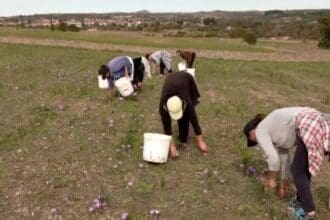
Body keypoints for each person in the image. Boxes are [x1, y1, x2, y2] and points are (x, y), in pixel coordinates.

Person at [244, 107, 330, 219]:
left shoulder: (260, 130)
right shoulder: (275, 132)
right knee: (302, 168)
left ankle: (309, 213)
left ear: (251, 133)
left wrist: (271, 179)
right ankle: (299, 202)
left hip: (311, 123)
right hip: (320, 121)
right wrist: (283, 187)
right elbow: (285, 160)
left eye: (252, 139)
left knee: (298, 171)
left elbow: (273, 159)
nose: (257, 142)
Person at [159, 71, 208, 159]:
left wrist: (201, 141)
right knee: (182, 117)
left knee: (187, 114)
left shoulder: (186, 101)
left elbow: (194, 120)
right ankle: (183, 139)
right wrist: (171, 147)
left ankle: (183, 139)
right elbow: (167, 127)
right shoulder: (162, 107)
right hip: (170, 80)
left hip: (187, 79)